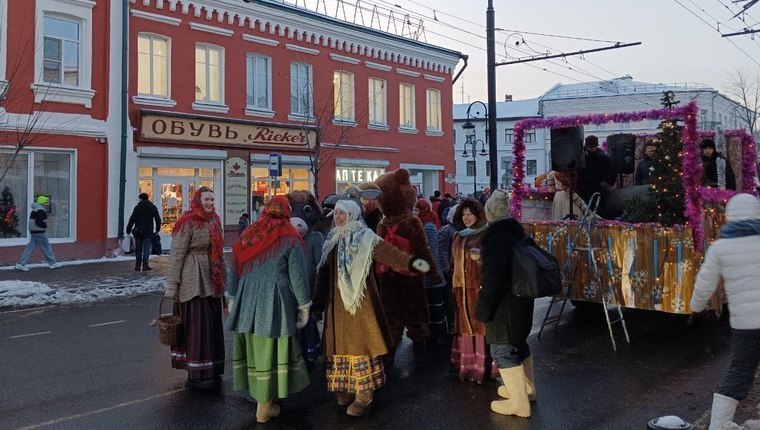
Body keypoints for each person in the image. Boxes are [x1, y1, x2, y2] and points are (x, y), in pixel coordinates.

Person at [313, 199, 430, 417]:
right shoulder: (332, 241)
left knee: (361, 348)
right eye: (336, 213)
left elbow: (388, 253)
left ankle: (364, 395)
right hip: (337, 307)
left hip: (360, 305)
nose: (338, 217)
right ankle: (348, 387)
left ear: (352, 214)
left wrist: (412, 262)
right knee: (341, 349)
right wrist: (317, 304)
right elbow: (323, 276)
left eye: (342, 213)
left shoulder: (365, 238)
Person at [225, 196, 311, 423]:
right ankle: (264, 405)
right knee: (273, 346)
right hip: (275, 297)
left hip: (247, 295)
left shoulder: (250, 233)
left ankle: (264, 397)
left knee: (256, 345)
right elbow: (298, 276)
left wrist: (232, 295)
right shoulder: (289, 236)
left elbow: (234, 266)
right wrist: (304, 305)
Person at [690, 193, 760, 429]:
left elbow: (704, 283)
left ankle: (718, 425)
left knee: (739, 371)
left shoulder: (720, 247)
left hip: (744, 324)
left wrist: (696, 307)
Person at [476, 189, 535, 418]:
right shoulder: (517, 233)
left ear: (490, 212)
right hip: (521, 301)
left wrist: (483, 310)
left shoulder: (496, 239)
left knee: (502, 349)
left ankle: (519, 403)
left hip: (505, 307)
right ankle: (527, 390)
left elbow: (493, 280)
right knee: (519, 345)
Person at [164, 186, 226, 391]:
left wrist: (224, 280)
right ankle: (197, 370)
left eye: (212, 199)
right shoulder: (187, 223)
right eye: (206, 199)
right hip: (192, 278)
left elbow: (220, 252)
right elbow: (176, 254)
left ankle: (212, 368)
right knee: (197, 325)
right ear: (198, 200)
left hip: (211, 276)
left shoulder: (215, 221)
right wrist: (172, 283)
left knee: (211, 324)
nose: (210, 203)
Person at [449, 198, 498, 383]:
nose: (466, 217)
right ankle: (466, 366)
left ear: (478, 215)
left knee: (479, 327)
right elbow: (453, 262)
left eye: (470, 214)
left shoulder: (485, 234)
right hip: (459, 289)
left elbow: (491, 261)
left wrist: (480, 260)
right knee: (463, 327)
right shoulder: (458, 235)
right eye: (463, 214)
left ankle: (482, 369)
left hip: (477, 289)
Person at [414, 198, 447, 349]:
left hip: (432, 274)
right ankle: (430, 336)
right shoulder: (419, 224)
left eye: (417, 210)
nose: (415, 212)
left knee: (435, 306)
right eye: (414, 209)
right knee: (427, 307)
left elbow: (432, 251)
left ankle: (437, 337)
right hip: (423, 273)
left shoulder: (428, 226)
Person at [15, 196, 62, 271]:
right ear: (43, 202)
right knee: (46, 247)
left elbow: (34, 221)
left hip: (34, 231)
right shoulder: (41, 210)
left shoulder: (35, 209)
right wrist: (44, 226)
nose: (47, 204)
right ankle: (52, 263)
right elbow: (39, 222)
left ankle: (20, 264)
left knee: (29, 247)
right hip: (40, 231)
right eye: (46, 202)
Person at [125, 192, 161, 271]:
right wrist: (157, 229)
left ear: (141, 199)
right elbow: (158, 219)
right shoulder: (152, 207)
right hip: (148, 231)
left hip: (138, 231)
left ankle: (137, 265)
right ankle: (145, 265)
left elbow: (132, 219)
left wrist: (128, 229)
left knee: (138, 249)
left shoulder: (137, 207)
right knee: (146, 249)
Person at [577, 135, 616, 204]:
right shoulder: (583, 155)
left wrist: (605, 183)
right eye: (590, 147)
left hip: (596, 187)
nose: (592, 149)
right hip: (586, 187)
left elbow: (611, 172)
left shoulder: (601, 157)